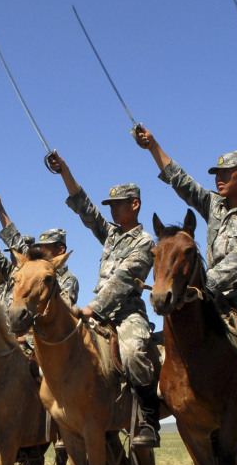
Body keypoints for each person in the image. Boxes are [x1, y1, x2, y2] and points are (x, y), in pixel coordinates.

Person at [133, 126, 237, 435]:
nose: (218, 179)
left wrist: (201, 285)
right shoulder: (213, 205)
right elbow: (181, 181)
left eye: (226, 173)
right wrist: (153, 146)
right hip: (203, 293)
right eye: (216, 174)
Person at [47, 151, 161, 447]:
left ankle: (148, 418)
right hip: (96, 312)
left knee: (134, 352)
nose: (111, 210)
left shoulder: (146, 242)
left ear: (134, 204)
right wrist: (64, 172)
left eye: (118, 205)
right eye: (110, 206)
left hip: (126, 312)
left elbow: (124, 279)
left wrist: (92, 309)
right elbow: (85, 208)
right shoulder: (110, 235)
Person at [0, 190, 80, 306]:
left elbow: (61, 310)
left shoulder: (69, 279)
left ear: (61, 250)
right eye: (39, 247)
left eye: (45, 247)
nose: (40, 250)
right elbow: (14, 239)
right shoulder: (32, 265)